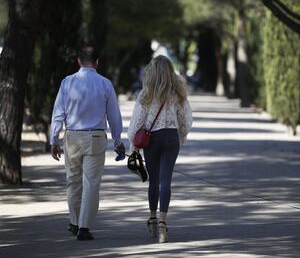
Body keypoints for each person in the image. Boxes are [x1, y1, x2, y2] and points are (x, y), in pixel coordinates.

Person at [50, 46, 125, 240]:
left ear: (78, 61)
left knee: (72, 181)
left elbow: (58, 113)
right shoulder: (105, 83)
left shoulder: (67, 82)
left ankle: (74, 222)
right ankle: (84, 227)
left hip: (72, 137)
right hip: (96, 138)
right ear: (97, 62)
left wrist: (54, 139)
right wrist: (118, 141)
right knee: (91, 183)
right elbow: (114, 116)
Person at [128, 55, 193, 243]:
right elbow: (185, 120)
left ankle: (152, 218)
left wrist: (133, 145)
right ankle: (164, 223)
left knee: (153, 181)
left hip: (152, 139)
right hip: (171, 138)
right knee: (166, 181)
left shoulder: (146, 94)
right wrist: (181, 136)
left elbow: (137, 121)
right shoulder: (177, 93)